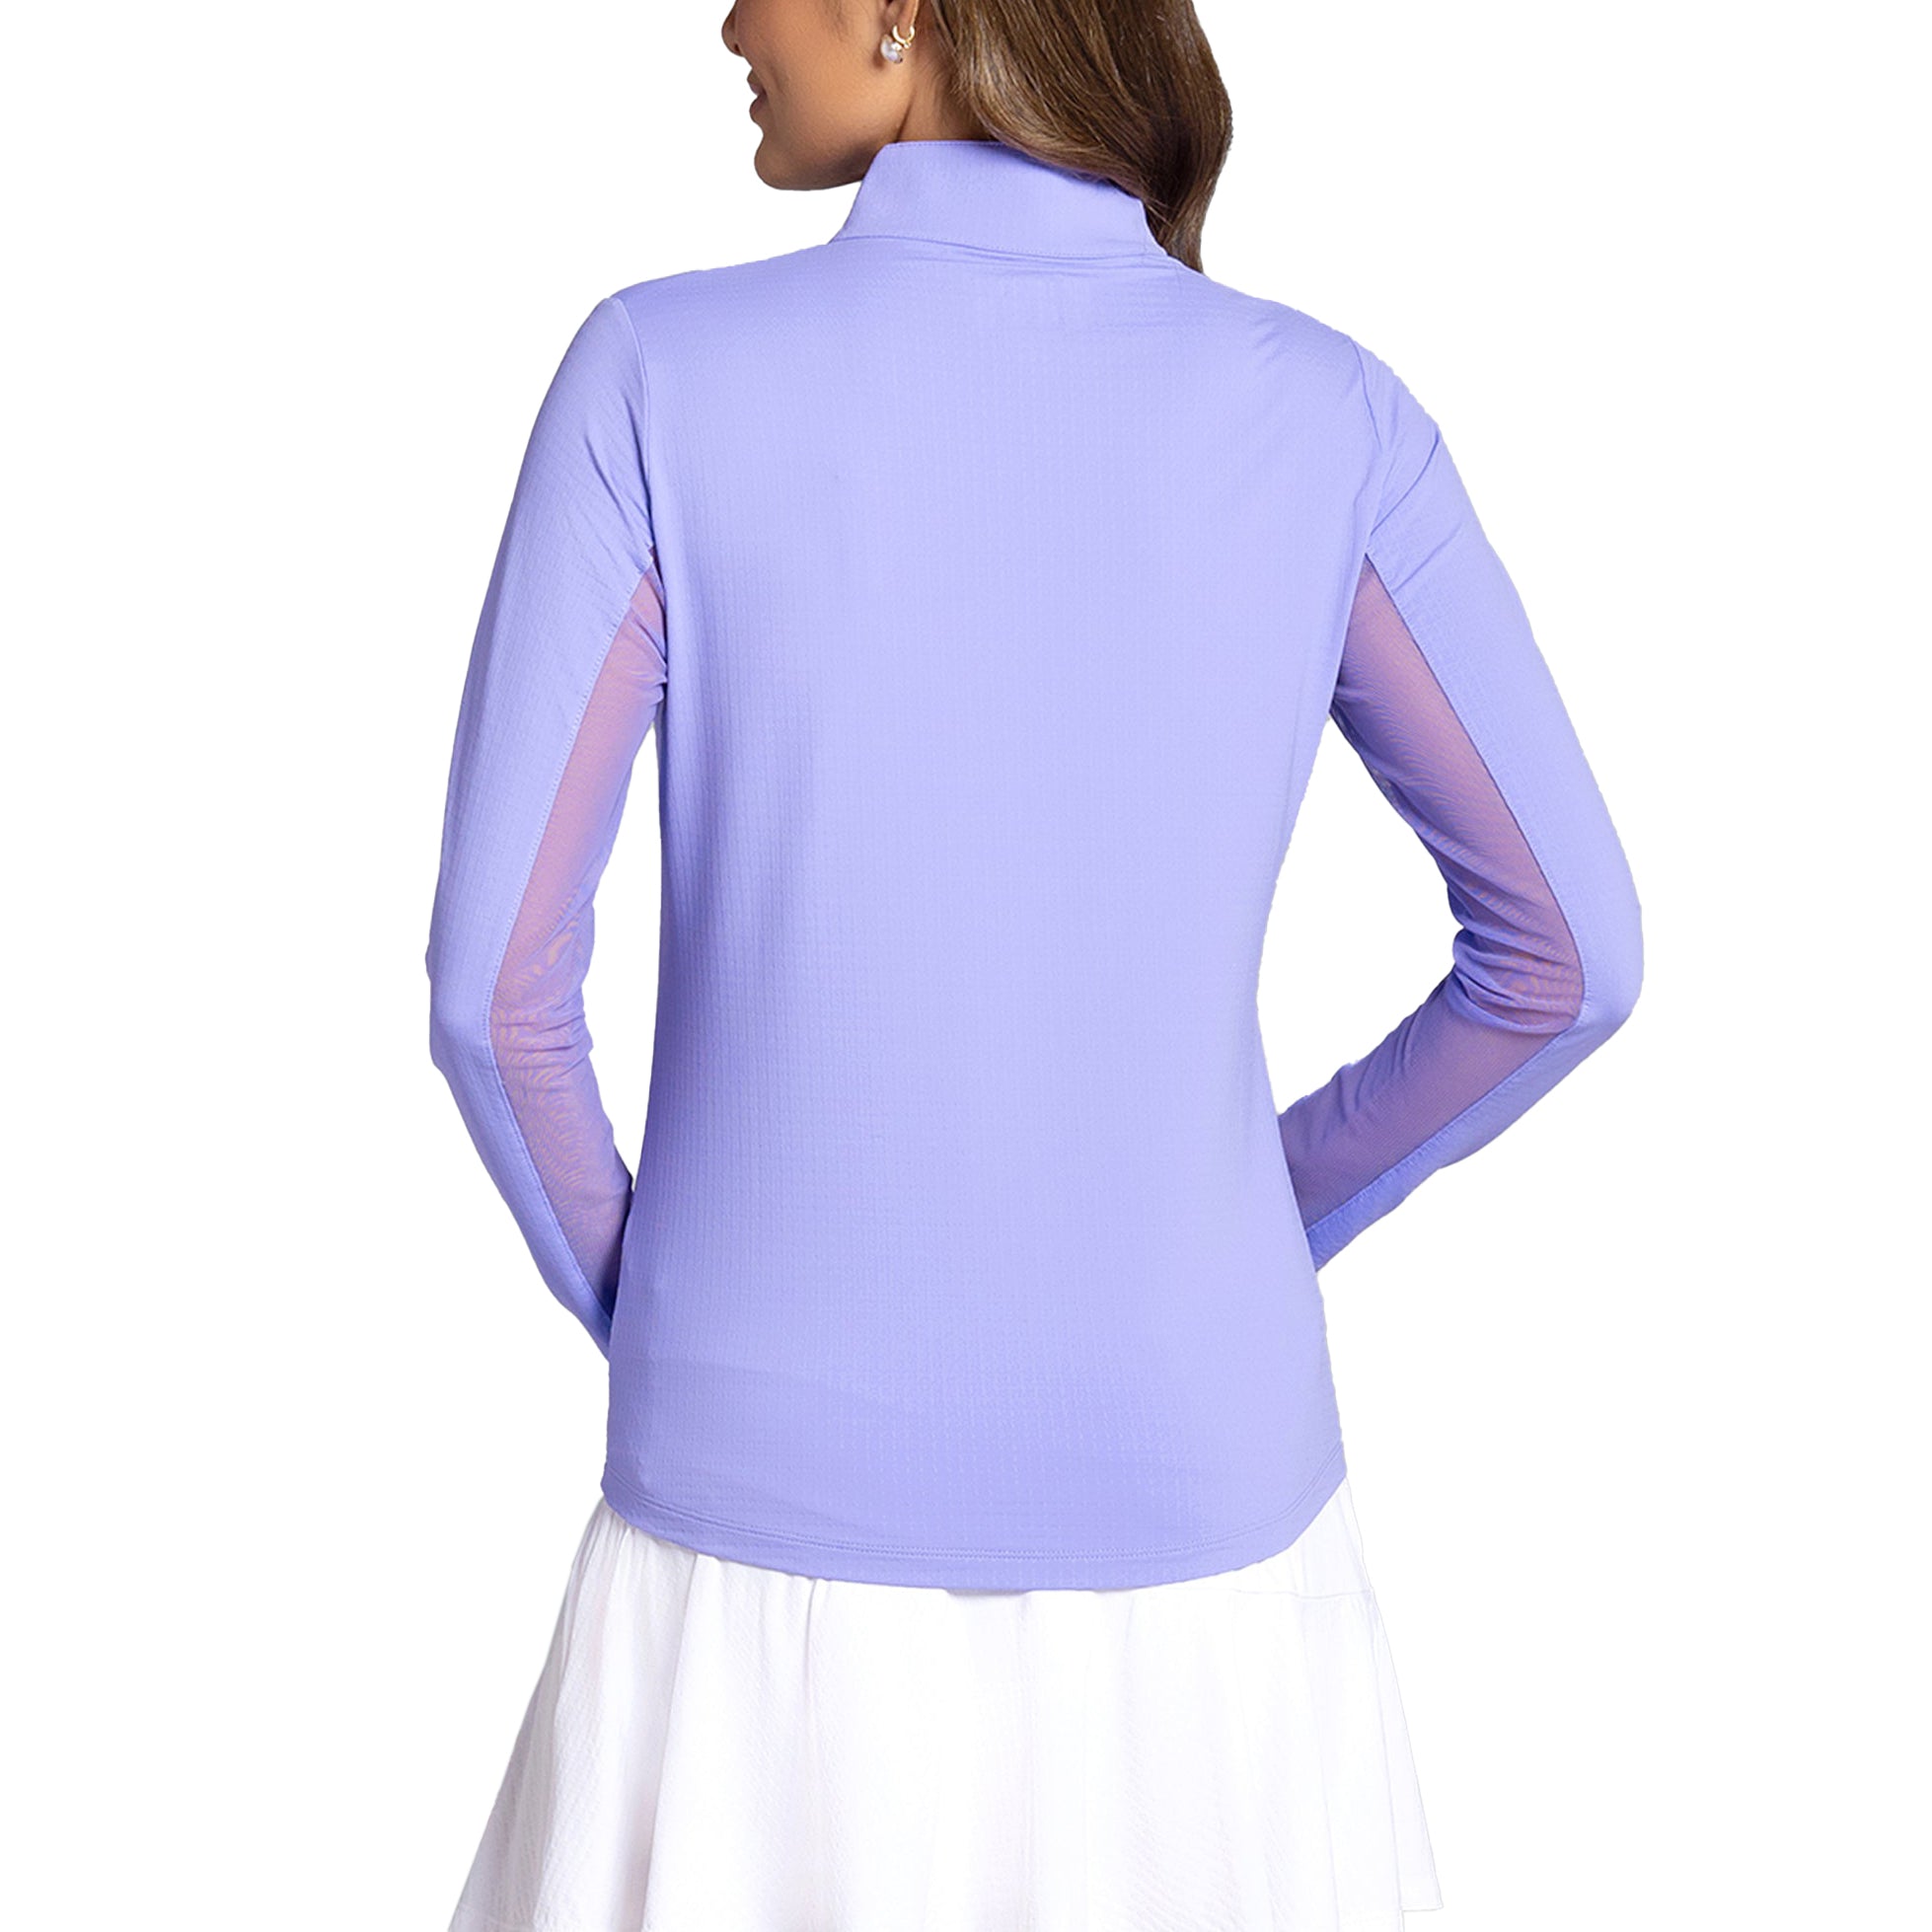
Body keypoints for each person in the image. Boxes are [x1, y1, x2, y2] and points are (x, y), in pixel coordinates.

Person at [423, 0, 1645, 1924]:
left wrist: (680, 1316)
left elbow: (495, 992)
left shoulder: (657, 377)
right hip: (1209, 1560)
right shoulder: (1325, 415)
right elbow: (1564, 958)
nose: (729, 20)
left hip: (749, 1566)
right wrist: (1256, 1216)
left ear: (904, 8)